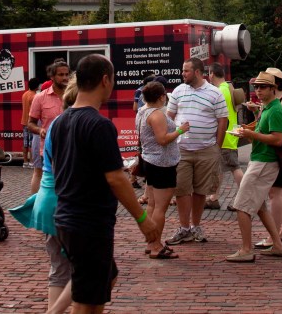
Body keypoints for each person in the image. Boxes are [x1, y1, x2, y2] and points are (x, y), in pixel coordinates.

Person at [49, 54, 156, 312]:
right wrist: (143, 219)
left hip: (66, 218)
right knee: (86, 301)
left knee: (104, 280)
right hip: (88, 223)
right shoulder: (99, 125)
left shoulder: (60, 121)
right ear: (105, 80)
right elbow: (116, 178)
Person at [11, 75, 80, 313]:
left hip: (49, 203)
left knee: (59, 269)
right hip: (65, 205)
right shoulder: (74, 126)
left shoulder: (56, 125)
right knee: (87, 269)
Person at [226, 71, 282, 262]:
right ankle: (278, 245)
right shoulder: (268, 108)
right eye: (256, 87)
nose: (258, 90)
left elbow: (277, 139)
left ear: (273, 88)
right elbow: (264, 132)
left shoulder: (275, 110)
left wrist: (251, 135)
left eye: (263, 87)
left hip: (264, 161)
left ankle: (246, 250)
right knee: (260, 207)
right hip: (261, 160)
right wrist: (249, 131)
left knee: (241, 206)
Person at [165, 58, 227, 245]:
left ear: (198, 72)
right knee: (181, 189)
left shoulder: (215, 93)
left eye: (186, 71)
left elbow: (222, 121)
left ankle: (196, 226)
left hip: (206, 150)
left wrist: (217, 147)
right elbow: (169, 117)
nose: (182, 74)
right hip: (181, 150)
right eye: (183, 70)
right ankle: (184, 228)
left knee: (201, 190)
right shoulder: (178, 91)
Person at [133, 81, 188, 259]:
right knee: (160, 208)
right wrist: (180, 130)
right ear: (161, 97)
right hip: (162, 164)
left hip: (150, 160)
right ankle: (156, 245)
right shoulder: (156, 115)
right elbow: (163, 139)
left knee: (152, 204)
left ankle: (151, 243)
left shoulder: (142, 111)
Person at [259, 67, 282, 247]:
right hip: (276, 148)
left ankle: (274, 236)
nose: (261, 88)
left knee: (275, 192)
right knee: (280, 190)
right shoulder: (272, 101)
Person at [206, 62, 245, 211]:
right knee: (220, 168)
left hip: (225, 135)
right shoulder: (229, 87)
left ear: (212, 74)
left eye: (209, 73)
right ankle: (213, 198)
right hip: (231, 133)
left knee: (234, 167)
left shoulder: (219, 91)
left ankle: (244, 199)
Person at [28, 61, 71, 195]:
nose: (65, 78)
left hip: (71, 148)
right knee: (46, 180)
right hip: (49, 149)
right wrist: (40, 130)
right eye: (61, 75)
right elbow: (30, 123)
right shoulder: (40, 97)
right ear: (52, 76)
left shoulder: (74, 96)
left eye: (67, 74)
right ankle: (36, 204)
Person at [21, 77, 41, 168]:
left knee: (25, 143)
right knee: (33, 142)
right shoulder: (34, 96)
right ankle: (32, 162)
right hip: (31, 122)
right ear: (36, 86)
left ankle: (25, 161)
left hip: (24, 121)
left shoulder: (24, 94)